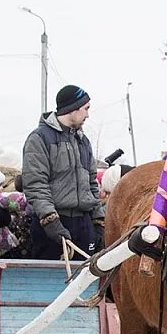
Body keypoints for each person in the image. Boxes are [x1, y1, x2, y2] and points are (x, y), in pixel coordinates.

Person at [23, 84, 104, 260]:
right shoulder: (39, 138)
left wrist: (98, 221)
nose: (88, 115)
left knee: (87, 281)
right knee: (52, 283)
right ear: (73, 108)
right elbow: (35, 184)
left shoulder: (84, 142)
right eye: (86, 109)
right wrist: (50, 221)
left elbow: (92, 184)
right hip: (54, 225)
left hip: (83, 224)